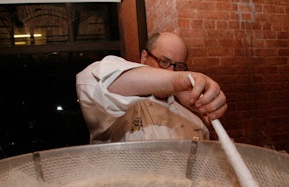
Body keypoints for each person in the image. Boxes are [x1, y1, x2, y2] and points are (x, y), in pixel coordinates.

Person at [76, 32, 227, 143]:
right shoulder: (116, 111)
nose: (171, 71)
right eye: (164, 62)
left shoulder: (196, 124)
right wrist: (175, 82)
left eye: (179, 66)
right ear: (144, 57)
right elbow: (90, 80)